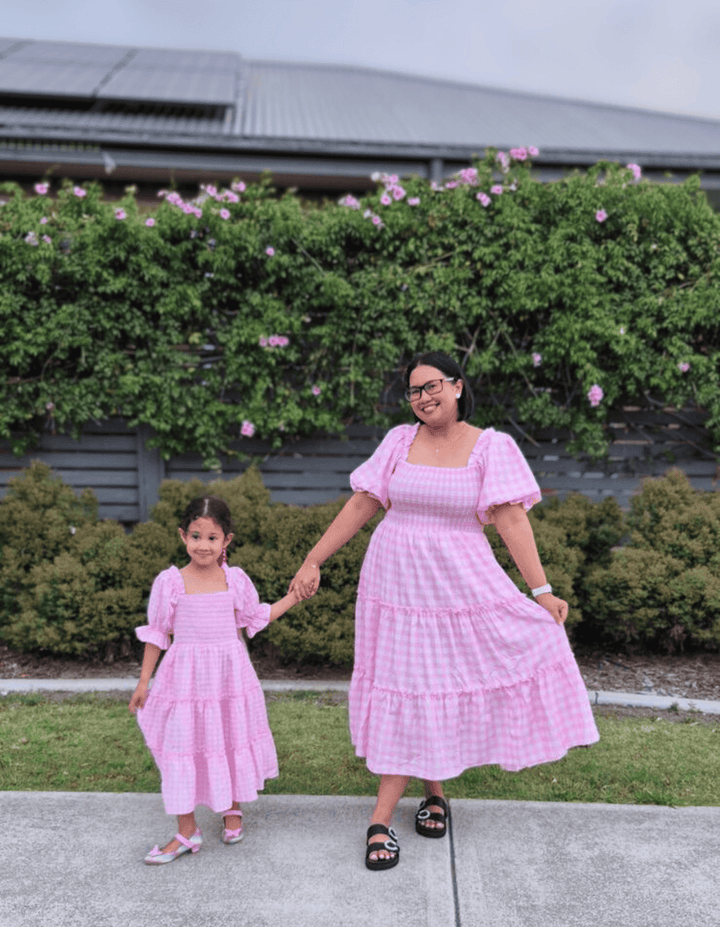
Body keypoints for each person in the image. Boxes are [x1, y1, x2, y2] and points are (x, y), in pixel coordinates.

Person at [291, 351, 599, 871]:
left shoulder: (490, 447)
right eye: (413, 391)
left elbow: (511, 522)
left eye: (432, 386)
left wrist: (541, 590)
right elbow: (363, 503)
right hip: (395, 587)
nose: (423, 398)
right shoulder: (398, 441)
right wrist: (313, 558)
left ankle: (398, 812)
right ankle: (405, 808)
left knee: (431, 685)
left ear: (457, 386)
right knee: (409, 684)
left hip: (460, 587)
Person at [129, 494, 301, 865]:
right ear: (182, 536)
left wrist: (293, 597)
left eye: (211, 538)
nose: (202, 545)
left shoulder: (235, 580)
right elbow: (158, 634)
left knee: (227, 735)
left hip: (228, 675)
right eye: (195, 536)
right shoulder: (171, 582)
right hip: (185, 679)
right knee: (183, 746)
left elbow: (255, 618)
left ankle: (232, 808)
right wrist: (144, 682)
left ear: (227, 541)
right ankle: (187, 830)